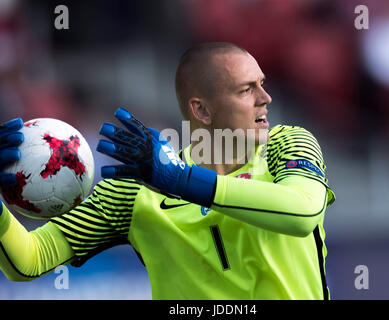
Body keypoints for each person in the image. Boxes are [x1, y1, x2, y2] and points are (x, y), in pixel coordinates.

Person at [0, 42, 335, 300]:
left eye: (262, 84)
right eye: (246, 89)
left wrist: (183, 181)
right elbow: (28, 259)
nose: (266, 98)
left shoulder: (287, 144)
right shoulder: (135, 191)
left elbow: (302, 212)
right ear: (201, 110)